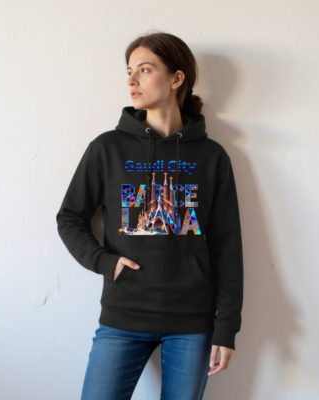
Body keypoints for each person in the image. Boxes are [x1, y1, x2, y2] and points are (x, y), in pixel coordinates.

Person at [56, 32, 244, 400]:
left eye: (144, 69)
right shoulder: (107, 149)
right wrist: (104, 262)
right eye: (129, 71)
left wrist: (227, 328)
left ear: (176, 78)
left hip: (192, 323)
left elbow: (228, 246)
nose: (132, 80)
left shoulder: (211, 157)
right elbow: (70, 217)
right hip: (123, 316)